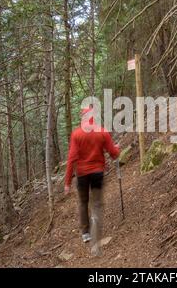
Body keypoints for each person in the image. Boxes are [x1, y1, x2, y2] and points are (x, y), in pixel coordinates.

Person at [64, 107, 120, 254]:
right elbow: (113, 153)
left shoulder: (76, 134)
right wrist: (117, 149)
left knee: (83, 202)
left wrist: (67, 182)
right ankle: (95, 233)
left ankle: (85, 233)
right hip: (97, 173)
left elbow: (71, 159)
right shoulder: (102, 131)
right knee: (96, 204)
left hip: (81, 174)